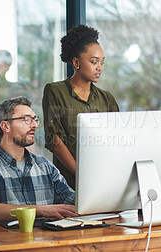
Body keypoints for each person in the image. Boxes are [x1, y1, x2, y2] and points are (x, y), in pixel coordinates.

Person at [0, 96, 77, 223]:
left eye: (35, 120)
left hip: (45, 241)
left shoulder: (44, 165)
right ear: (5, 126)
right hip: (6, 242)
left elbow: (71, 201)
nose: (35, 125)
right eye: (26, 119)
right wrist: (40, 210)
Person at [42, 24, 119, 189]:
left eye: (102, 62)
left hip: (105, 181)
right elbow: (55, 140)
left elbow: (116, 141)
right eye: (94, 62)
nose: (99, 67)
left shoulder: (107, 99)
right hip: (68, 184)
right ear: (76, 62)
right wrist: (82, 175)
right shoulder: (55, 91)